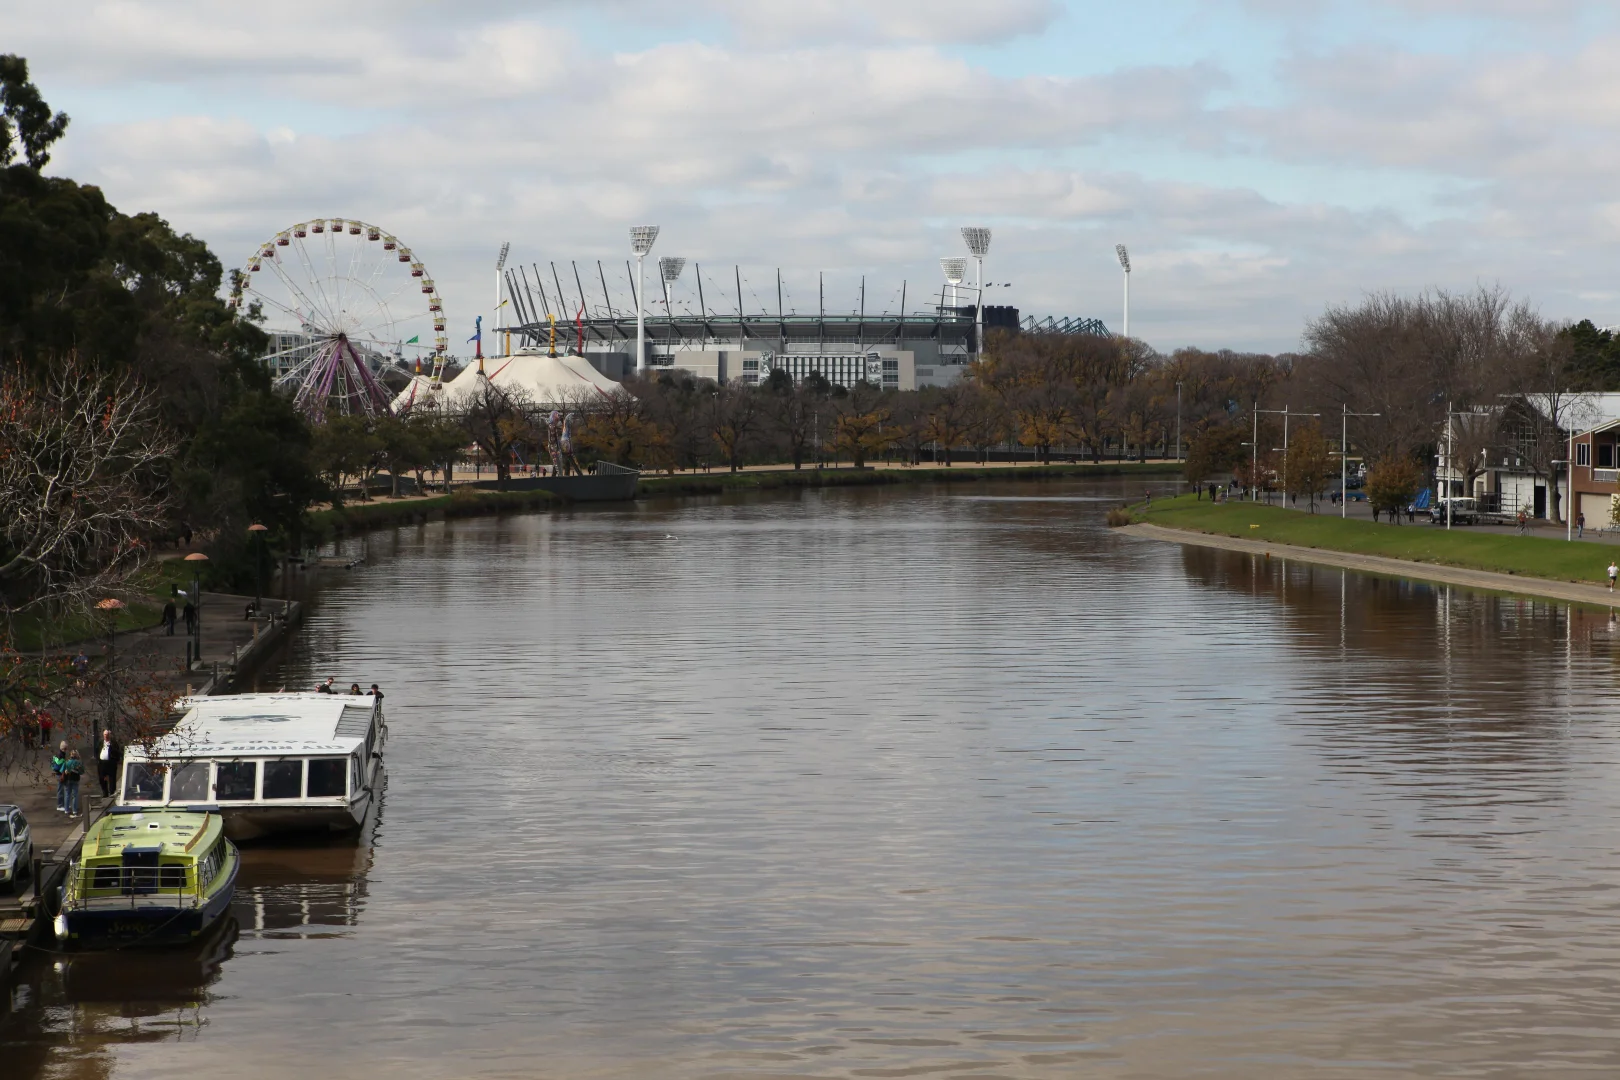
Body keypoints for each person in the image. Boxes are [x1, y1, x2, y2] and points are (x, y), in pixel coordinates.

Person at [97, 728, 123, 798]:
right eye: (105, 735)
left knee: (112, 778)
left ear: (109, 735)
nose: (106, 736)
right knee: (102, 778)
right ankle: (105, 792)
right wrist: (98, 760)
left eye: (107, 735)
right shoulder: (101, 743)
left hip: (111, 763)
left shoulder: (113, 743)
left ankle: (112, 792)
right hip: (102, 763)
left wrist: (114, 760)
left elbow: (117, 752)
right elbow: (97, 751)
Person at [61, 749, 84, 815]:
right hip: (76, 779)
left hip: (68, 779)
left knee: (67, 794)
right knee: (75, 795)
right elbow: (82, 772)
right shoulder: (79, 763)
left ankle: (66, 809)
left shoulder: (67, 762)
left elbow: (62, 770)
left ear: (70, 755)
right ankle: (74, 810)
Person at [52, 741, 69, 812]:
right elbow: (62, 766)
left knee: (61, 789)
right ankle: (60, 805)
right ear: (64, 748)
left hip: (58, 773)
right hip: (60, 774)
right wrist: (63, 774)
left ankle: (63, 804)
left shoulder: (57, 753)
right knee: (61, 790)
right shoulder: (61, 755)